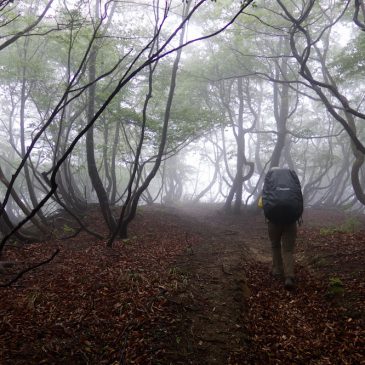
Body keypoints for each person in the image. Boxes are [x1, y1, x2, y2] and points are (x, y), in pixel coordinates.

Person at [260, 167, 303, 290]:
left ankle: (277, 270)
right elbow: (299, 197)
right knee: (288, 249)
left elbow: (264, 200)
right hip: (290, 220)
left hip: (273, 220)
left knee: (275, 245)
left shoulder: (270, 182)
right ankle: (289, 276)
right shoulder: (292, 181)